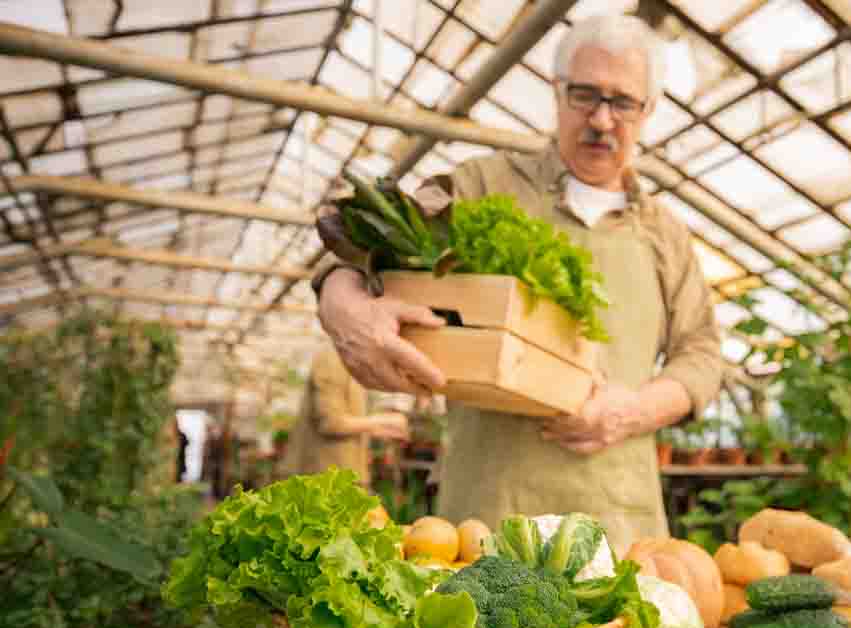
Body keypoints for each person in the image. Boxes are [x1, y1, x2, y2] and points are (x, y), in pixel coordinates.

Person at [310, 14, 724, 555]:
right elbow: (358, 243)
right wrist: (341, 304)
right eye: (585, 95)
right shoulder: (484, 185)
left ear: (648, 111)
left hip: (620, 525)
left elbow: (703, 354)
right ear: (556, 92)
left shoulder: (664, 233)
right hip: (487, 517)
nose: (602, 119)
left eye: (623, 102)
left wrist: (631, 411)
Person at [277, 343, 411, 487]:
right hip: (322, 480)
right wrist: (384, 421)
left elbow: (348, 421)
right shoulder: (333, 360)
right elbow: (331, 423)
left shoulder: (354, 363)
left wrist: (378, 429)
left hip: (340, 477)